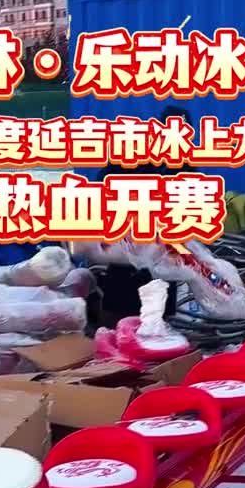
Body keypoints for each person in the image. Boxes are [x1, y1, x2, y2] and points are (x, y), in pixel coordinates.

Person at [91, 105, 193, 327]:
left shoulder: (184, 166)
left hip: (160, 253)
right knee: (120, 310)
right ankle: (115, 337)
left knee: (156, 314)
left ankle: (151, 336)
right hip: (126, 244)